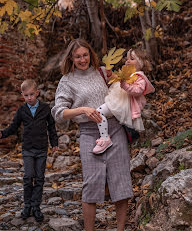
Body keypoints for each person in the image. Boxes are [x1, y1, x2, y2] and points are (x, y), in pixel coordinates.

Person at [51, 38, 133, 231]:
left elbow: (123, 88)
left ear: (90, 54)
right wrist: (82, 110)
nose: (82, 59)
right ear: (71, 58)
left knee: (121, 181)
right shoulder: (67, 81)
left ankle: (120, 229)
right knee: (91, 183)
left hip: (114, 129)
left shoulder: (102, 72)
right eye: (78, 56)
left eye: (85, 55)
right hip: (89, 133)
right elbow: (58, 113)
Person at [0, 79, 58, 222]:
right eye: (26, 95)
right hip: (27, 149)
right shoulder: (22, 110)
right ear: (22, 95)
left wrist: (54, 143)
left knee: (39, 178)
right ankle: (27, 206)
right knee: (28, 177)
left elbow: (51, 127)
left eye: (32, 94)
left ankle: (36, 207)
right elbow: (14, 126)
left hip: (41, 149)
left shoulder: (45, 108)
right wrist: (2, 133)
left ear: (37, 93)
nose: (29, 98)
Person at [93, 48, 155, 154]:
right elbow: (114, 78)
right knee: (101, 113)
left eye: (132, 58)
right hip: (117, 100)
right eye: (127, 59)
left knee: (99, 112)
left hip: (123, 103)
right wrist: (109, 74)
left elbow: (137, 90)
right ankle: (116, 136)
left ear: (141, 62)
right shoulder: (126, 74)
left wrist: (124, 84)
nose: (128, 61)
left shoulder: (140, 77)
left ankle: (105, 138)